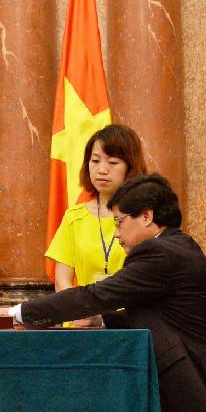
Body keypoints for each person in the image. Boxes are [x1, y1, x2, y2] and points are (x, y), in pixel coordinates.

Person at [0, 174, 206, 412]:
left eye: (119, 222)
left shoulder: (159, 253)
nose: (116, 234)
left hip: (199, 399)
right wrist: (102, 320)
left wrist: (12, 313)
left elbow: (93, 296)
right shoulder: (179, 246)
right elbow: (162, 317)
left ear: (146, 216)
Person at [47, 124, 148, 291]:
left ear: (130, 166)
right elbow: (62, 282)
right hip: (82, 307)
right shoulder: (74, 218)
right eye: (95, 161)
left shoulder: (143, 217)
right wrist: (84, 307)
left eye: (113, 162)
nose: (101, 170)